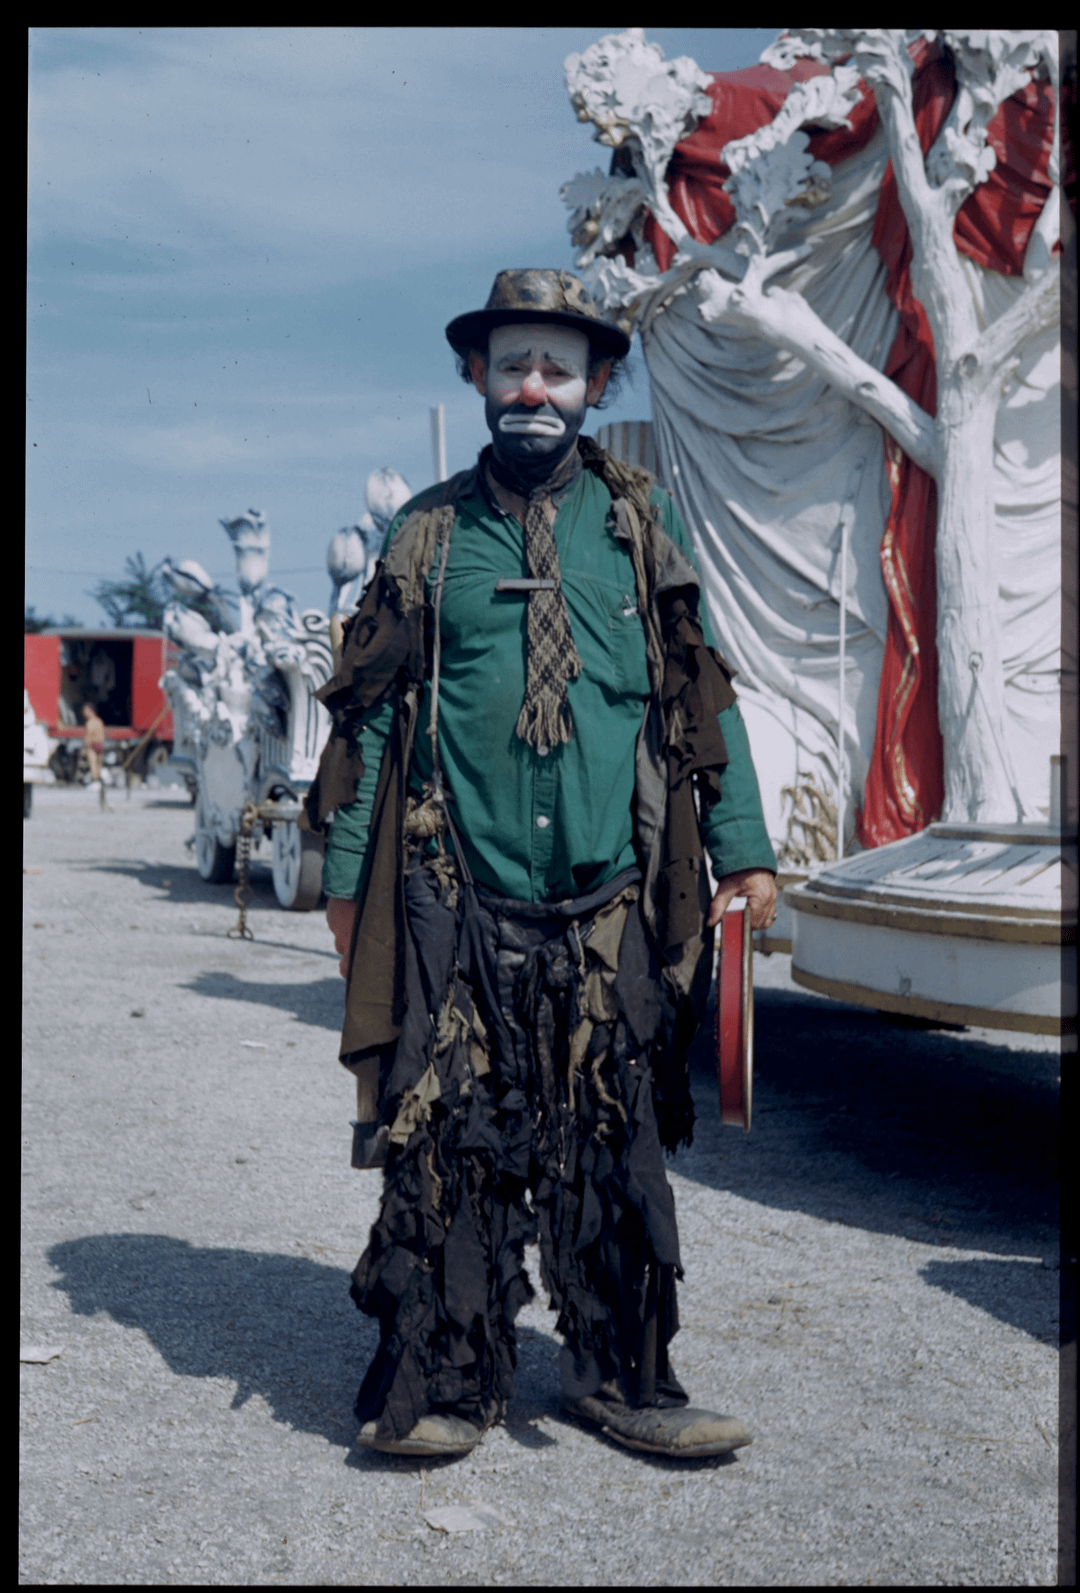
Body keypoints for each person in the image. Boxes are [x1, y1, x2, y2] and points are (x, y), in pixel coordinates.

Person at [305, 269, 778, 1460]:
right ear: (476, 374)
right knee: (452, 1142)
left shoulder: (639, 525)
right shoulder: (426, 535)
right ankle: (451, 1382)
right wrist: (347, 880)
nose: (533, 387)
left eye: (558, 369)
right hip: (454, 896)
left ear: (597, 384)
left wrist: (744, 850)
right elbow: (369, 719)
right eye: (512, 363)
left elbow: (699, 694)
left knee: (613, 1146)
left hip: (607, 904)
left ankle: (625, 1378)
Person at [81, 703, 105, 784]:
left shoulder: (90, 723)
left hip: (92, 745)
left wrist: (85, 748)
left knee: (93, 764)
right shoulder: (99, 721)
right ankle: (98, 779)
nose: (84, 713)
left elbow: (88, 737)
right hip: (100, 744)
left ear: (91, 711)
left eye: (86, 711)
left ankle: (95, 780)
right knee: (98, 764)